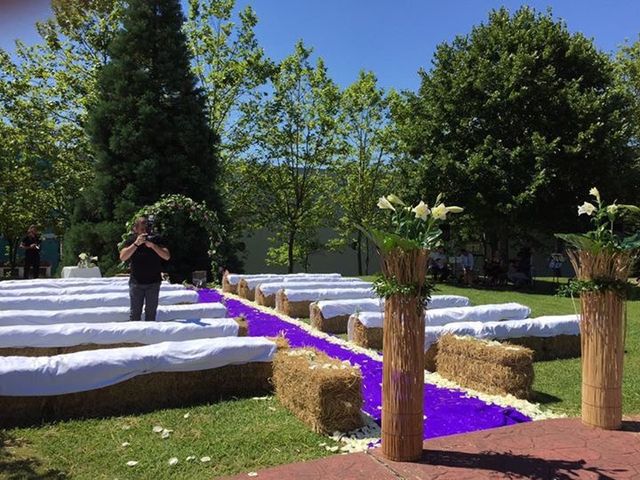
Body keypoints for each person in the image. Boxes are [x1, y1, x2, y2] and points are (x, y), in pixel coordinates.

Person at [119, 217, 171, 321]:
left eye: (146, 229)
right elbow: (123, 257)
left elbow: (167, 256)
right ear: (136, 229)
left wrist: (153, 246)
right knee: (135, 314)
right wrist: (136, 244)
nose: (145, 232)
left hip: (153, 283)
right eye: (142, 229)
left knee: (151, 314)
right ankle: (135, 336)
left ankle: (150, 336)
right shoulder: (131, 240)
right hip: (136, 283)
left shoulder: (156, 239)